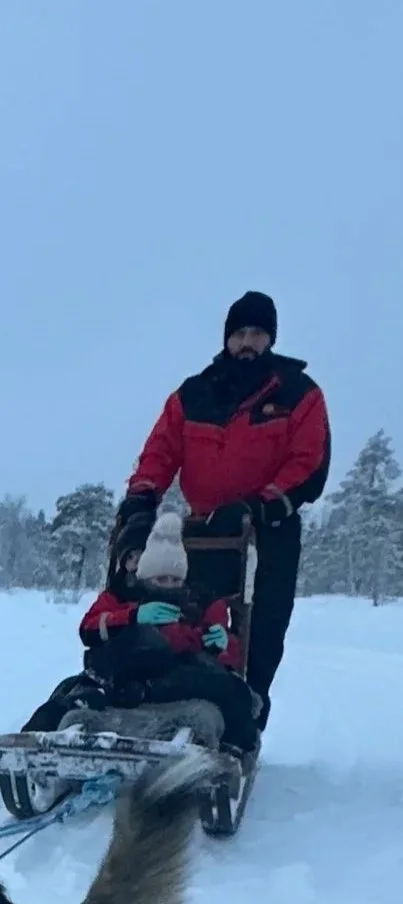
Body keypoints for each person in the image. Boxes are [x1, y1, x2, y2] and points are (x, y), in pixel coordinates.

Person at [104, 292, 329, 729]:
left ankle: (246, 715)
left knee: (259, 626)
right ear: (227, 338)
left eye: (258, 334)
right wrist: (140, 500)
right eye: (240, 333)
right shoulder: (194, 395)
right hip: (205, 530)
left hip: (268, 529)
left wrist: (256, 506)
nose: (248, 343)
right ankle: (172, 700)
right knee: (193, 616)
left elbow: (309, 465)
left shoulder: (298, 393)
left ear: (271, 338)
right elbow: (159, 453)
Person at [27, 510, 261, 755]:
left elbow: (219, 650)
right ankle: (32, 739)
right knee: (74, 686)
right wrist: (130, 618)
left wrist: (221, 644)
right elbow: (90, 630)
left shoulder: (197, 600)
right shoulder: (120, 595)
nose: (134, 562)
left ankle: (233, 749)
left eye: (174, 579)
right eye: (130, 557)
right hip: (122, 670)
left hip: (178, 675)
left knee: (223, 686)